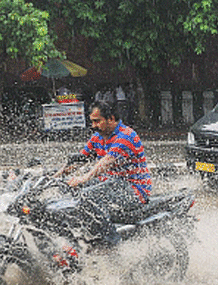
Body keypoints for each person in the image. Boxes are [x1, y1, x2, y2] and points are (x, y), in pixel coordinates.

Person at [57, 100, 152, 246]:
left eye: (97, 121)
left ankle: (112, 244)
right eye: (92, 122)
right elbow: (79, 160)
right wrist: (53, 177)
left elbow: (106, 162)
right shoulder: (97, 137)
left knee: (87, 196)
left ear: (111, 119)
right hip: (109, 184)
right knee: (68, 190)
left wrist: (83, 178)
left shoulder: (126, 136)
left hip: (133, 189)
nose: (93, 126)